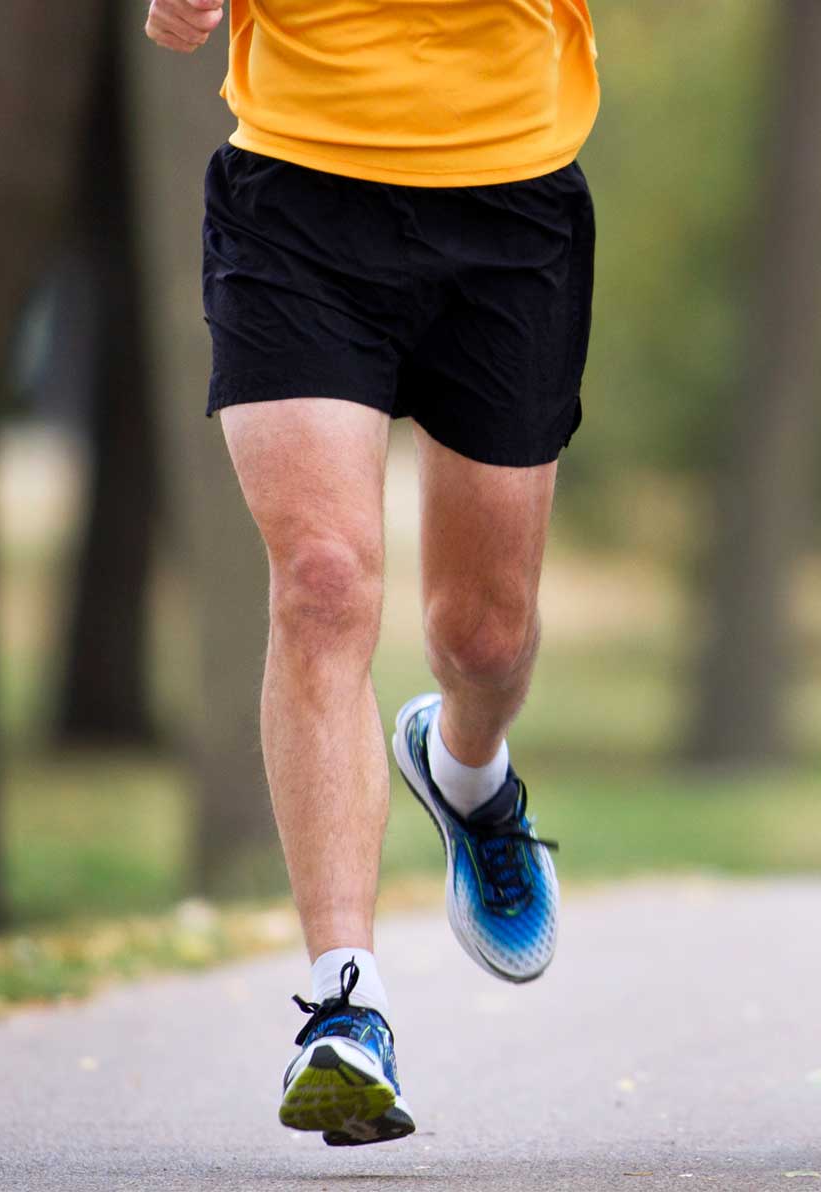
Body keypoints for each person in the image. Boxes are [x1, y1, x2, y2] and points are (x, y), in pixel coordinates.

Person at [141, 0, 597, 1146]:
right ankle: (345, 1003)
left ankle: (469, 774)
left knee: (485, 639)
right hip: (296, 193)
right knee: (324, 581)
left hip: (513, 197)